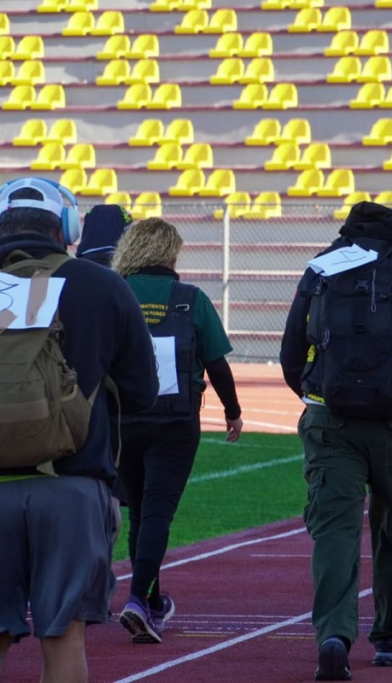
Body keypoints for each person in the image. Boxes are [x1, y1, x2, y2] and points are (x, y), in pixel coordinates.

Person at [0, 177, 158, 681]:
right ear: (69, 228)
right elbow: (143, 392)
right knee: (63, 636)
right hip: (73, 485)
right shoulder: (102, 285)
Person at [280, 201, 392, 681]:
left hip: (330, 421)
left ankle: (334, 637)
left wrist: (319, 397)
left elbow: (290, 352)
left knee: (335, 531)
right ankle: (390, 636)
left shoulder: (320, 270)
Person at [112, 217, 244, 644]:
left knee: (138, 513)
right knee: (157, 512)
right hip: (175, 421)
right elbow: (217, 363)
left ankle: (150, 603)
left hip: (122, 420)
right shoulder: (190, 299)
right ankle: (138, 599)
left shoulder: (115, 291)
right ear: (170, 253)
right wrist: (232, 411)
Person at [76, 203, 135, 546]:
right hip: (113, 407)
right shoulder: (122, 281)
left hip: (63, 402)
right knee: (110, 505)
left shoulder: (62, 274)